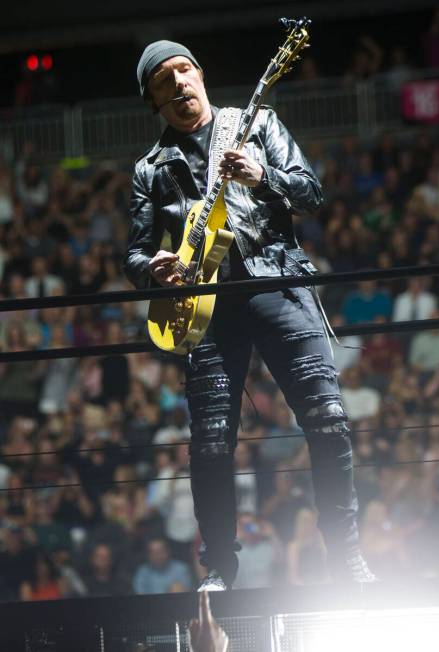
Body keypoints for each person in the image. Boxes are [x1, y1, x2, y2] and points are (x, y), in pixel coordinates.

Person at [125, 41, 374, 591]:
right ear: (154, 102)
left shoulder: (255, 123)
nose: (179, 85)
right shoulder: (150, 168)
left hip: (278, 281)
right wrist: (154, 268)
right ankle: (219, 568)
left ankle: (346, 555)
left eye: (183, 71)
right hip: (205, 306)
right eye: (164, 83)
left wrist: (263, 177)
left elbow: (310, 191)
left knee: (328, 417)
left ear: (201, 73)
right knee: (210, 441)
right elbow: (136, 251)